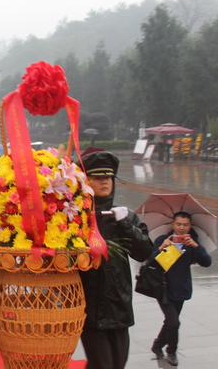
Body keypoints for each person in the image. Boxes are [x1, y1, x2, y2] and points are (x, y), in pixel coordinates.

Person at [77, 151, 153, 369]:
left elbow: (145, 252)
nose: (104, 181)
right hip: (90, 307)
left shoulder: (124, 216)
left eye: (108, 177)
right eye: (98, 177)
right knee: (103, 365)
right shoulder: (77, 217)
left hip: (119, 306)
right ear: (87, 181)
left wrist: (125, 225)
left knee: (118, 364)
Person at [150, 212, 212, 366]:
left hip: (182, 287)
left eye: (185, 225)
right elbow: (150, 262)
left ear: (190, 226)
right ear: (173, 224)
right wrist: (161, 248)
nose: (182, 228)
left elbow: (207, 263)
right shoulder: (162, 240)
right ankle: (171, 351)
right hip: (163, 287)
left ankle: (157, 345)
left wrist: (196, 247)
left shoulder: (192, 242)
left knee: (170, 322)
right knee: (174, 322)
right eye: (178, 224)